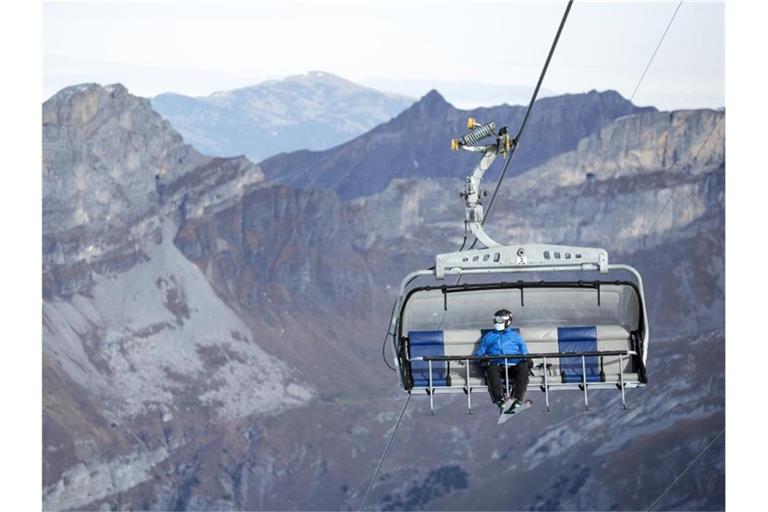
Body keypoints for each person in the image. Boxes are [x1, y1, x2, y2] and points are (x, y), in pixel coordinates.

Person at [474, 309, 530, 414]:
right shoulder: (489, 336)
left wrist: (526, 361)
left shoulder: (516, 337)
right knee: (491, 369)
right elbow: (479, 354)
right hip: (497, 365)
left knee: (523, 368)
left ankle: (517, 399)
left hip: (514, 366)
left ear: (508, 321)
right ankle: (500, 400)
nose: (497, 323)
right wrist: (483, 360)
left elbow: (525, 354)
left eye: (500, 320)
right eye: (496, 320)